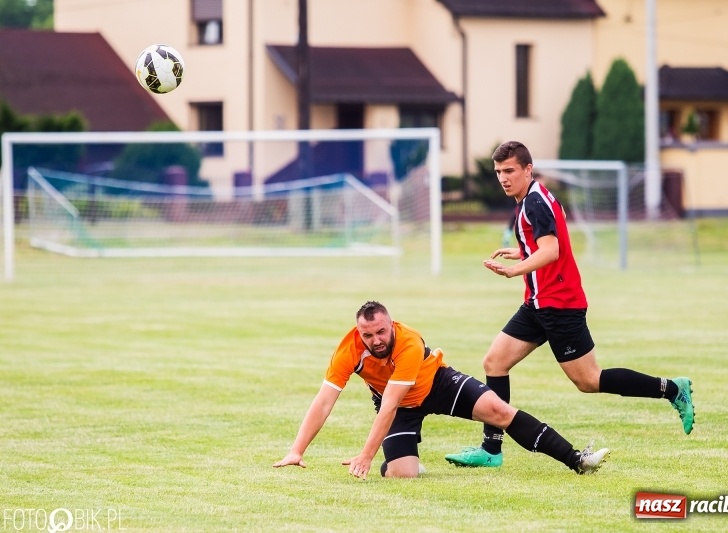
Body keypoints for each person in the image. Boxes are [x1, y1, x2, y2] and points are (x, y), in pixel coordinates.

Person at [444, 141, 694, 469]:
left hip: (559, 305)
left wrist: (514, 270)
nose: (503, 178)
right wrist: (522, 250)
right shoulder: (537, 196)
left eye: (510, 171)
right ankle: (491, 449)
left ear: (528, 169)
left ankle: (672, 389)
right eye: (499, 172)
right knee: (494, 362)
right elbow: (553, 233)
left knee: (588, 380)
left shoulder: (533, 203)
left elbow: (552, 251)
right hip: (537, 304)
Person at [273, 301, 610, 479]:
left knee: (499, 410)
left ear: (391, 325)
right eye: (368, 335)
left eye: (381, 331)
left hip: (438, 383)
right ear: (358, 332)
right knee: (403, 474)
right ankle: (397, 461)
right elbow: (324, 402)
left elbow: (389, 404)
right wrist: (296, 450)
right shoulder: (349, 350)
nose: (375, 340)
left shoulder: (408, 342)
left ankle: (577, 459)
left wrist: (366, 453)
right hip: (401, 406)